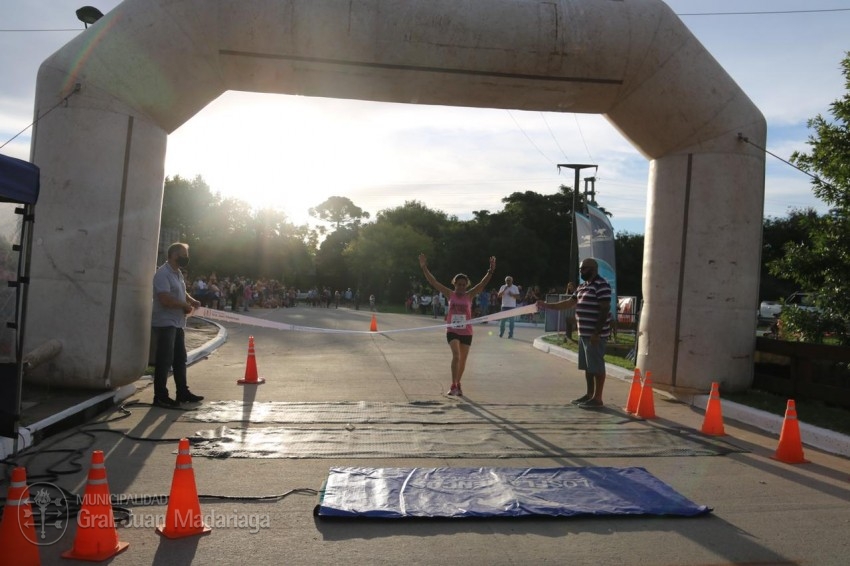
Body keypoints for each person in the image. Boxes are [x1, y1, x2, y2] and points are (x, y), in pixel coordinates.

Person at [419, 253, 496, 396]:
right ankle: (453, 384)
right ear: (454, 284)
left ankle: (458, 383)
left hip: (466, 331)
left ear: (466, 285)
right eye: (458, 284)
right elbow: (433, 282)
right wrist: (424, 267)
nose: (461, 287)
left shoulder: (470, 295)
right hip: (452, 330)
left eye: (463, 285)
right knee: (456, 355)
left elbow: (482, 284)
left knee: (463, 360)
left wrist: (491, 270)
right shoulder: (449, 294)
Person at [538, 258, 611, 408]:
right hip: (584, 333)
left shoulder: (602, 285)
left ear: (593, 269)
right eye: (580, 269)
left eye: (583, 269)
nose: (581, 271)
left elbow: (604, 309)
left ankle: (598, 398)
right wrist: (546, 305)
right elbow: (568, 303)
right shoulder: (582, 286)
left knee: (596, 366)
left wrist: (596, 333)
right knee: (588, 367)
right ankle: (589, 395)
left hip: (595, 335)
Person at [151, 243, 205, 407]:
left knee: (180, 359)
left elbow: (181, 291)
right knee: (164, 360)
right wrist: (183, 305)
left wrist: (191, 300)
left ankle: (182, 392)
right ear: (174, 255)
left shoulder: (177, 273)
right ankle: (160, 396)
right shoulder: (162, 274)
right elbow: (165, 299)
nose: (186, 258)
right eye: (183, 254)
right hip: (165, 322)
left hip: (177, 322)